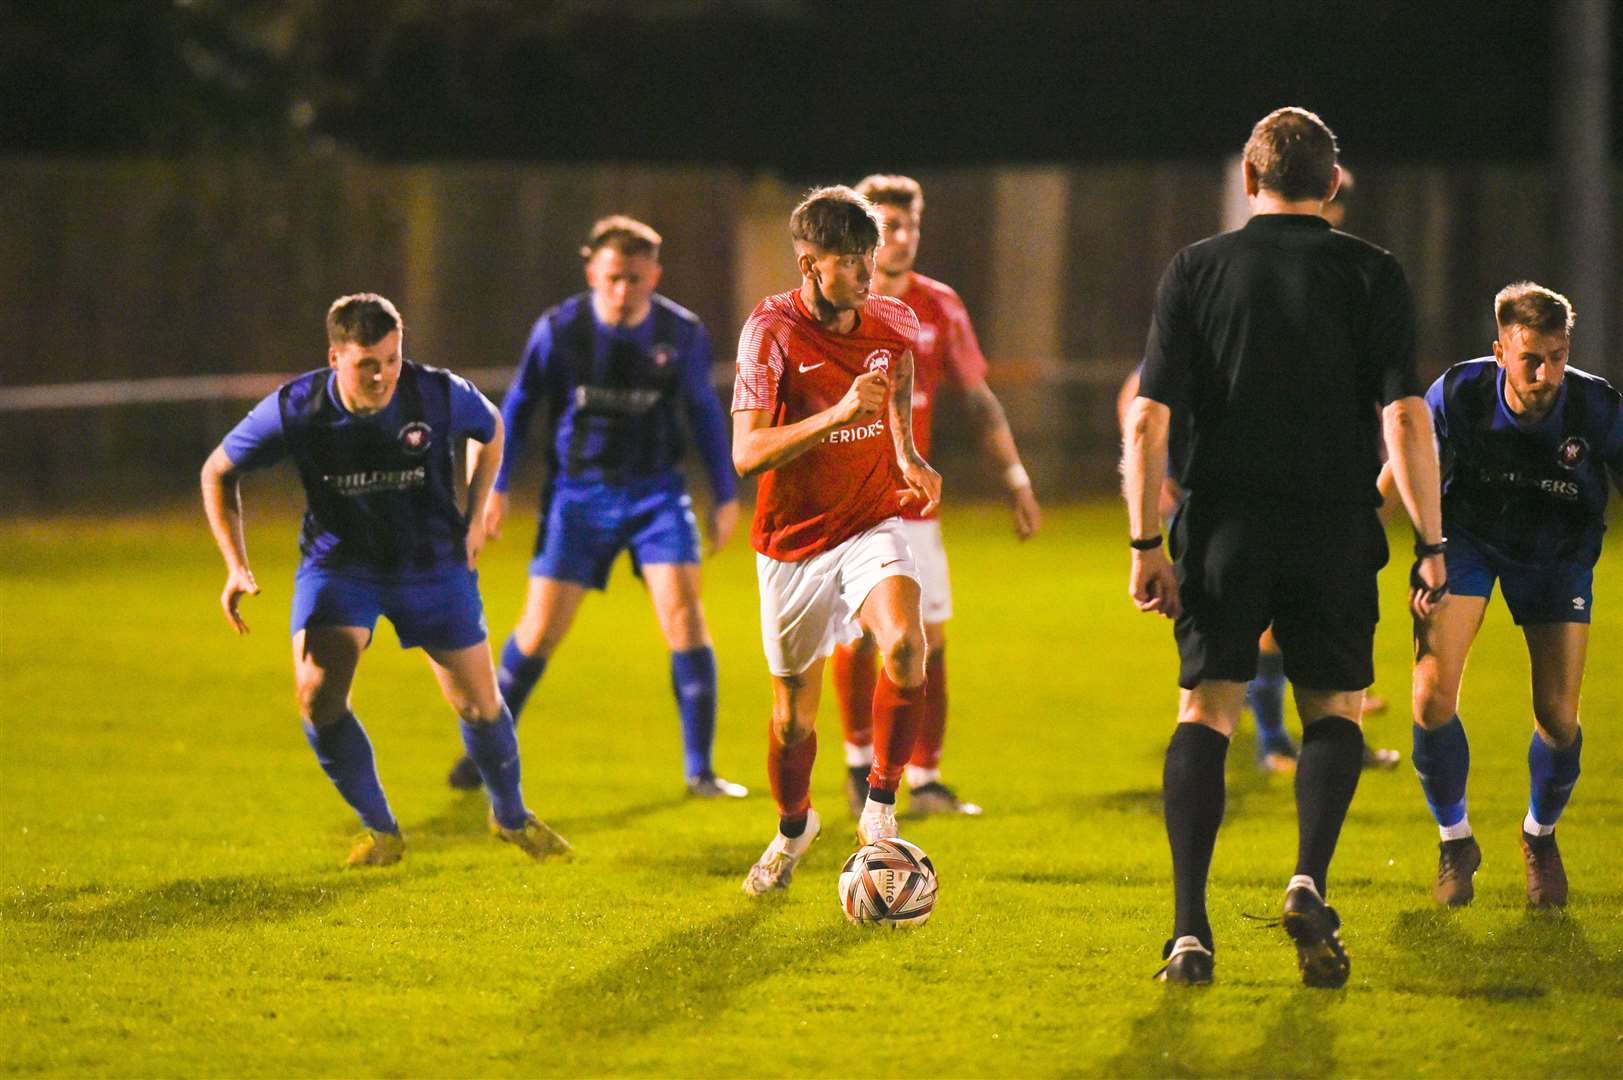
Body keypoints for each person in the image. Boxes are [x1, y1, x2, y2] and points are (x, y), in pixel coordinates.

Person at [1122, 107, 1445, 988]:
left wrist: (1145, 540)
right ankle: (1306, 880)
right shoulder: (1372, 272)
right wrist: (1429, 539)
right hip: (1333, 522)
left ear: (1247, 179)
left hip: (1224, 526)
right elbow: (1405, 417)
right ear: (1332, 183)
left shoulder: (1196, 268)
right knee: (1333, 709)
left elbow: (1147, 417)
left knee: (1207, 711)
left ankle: (1189, 932)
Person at [200, 293, 568, 867]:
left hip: (431, 564)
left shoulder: (436, 391)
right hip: (340, 566)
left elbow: (490, 430)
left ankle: (512, 816)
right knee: (317, 696)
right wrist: (236, 564)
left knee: (479, 706)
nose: (382, 375)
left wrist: (475, 518)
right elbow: (218, 471)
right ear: (335, 358)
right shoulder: (297, 406)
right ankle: (382, 830)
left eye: (392, 359)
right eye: (367, 363)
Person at [447, 216, 747, 799]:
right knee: (538, 633)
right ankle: (479, 753)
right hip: (579, 495)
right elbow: (520, 404)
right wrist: (498, 486)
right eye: (612, 277)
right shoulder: (560, 329)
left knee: (684, 617)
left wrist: (725, 494)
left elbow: (705, 414)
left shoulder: (680, 333)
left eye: (635, 279)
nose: (622, 290)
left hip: (658, 493)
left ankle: (700, 771)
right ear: (592, 273)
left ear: (654, 276)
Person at [731, 186, 942, 896]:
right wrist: (841, 413)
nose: (864, 274)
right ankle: (795, 828)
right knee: (792, 720)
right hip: (790, 543)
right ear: (807, 263)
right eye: (847, 261)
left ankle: (879, 803)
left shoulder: (890, 320)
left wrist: (906, 454)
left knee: (908, 645)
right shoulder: (771, 332)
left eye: (868, 258)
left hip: (868, 521)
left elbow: (900, 367)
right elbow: (747, 453)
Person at [1393, 282, 1622, 909]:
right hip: (1465, 542)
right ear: (1500, 352)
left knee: (1558, 716)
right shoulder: (1461, 392)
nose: (1545, 372)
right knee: (1430, 696)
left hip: (1558, 553)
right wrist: (1366, 533)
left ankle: (1539, 835)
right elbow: (1406, 464)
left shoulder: (1597, 406)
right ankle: (1455, 839)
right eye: (1530, 358)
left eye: (1556, 354)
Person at [828, 174, 1041, 819]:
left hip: (914, 506)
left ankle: (925, 777)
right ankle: (858, 763)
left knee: (931, 639)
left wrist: (1017, 478)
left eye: (911, 225)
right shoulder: (831, 305)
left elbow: (979, 399)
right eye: (889, 226)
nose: (903, 238)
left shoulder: (938, 305)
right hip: (845, 503)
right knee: (859, 639)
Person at [1114, 365, 1401, 776]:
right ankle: (1275, 743)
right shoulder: (1189, 344)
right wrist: (1156, 481)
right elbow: (1135, 405)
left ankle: (1329, 736)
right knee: (1263, 626)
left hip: (1267, 500)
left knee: (1293, 618)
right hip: (1210, 509)